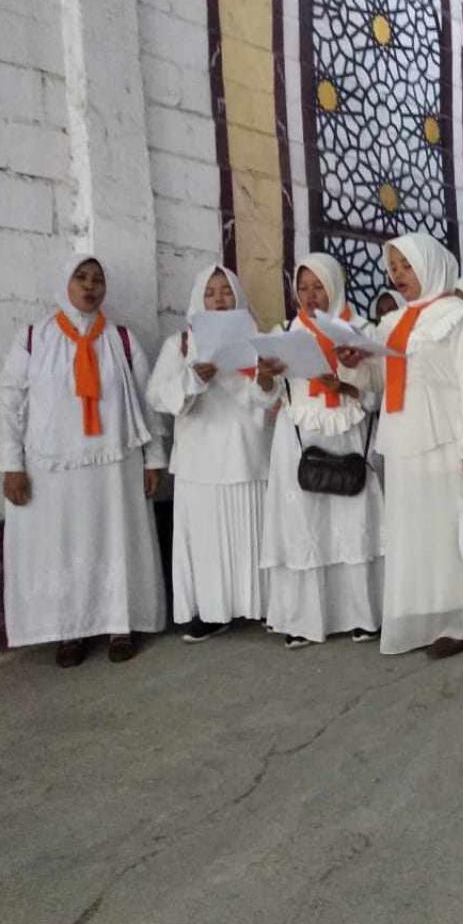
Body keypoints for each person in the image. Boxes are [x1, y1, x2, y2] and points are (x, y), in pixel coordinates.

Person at [0, 254, 167, 666]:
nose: (90, 286)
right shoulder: (33, 337)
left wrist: (153, 459)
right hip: (53, 469)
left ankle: (120, 625)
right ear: (64, 283)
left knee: (115, 539)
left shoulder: (121, 340)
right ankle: (69, 630)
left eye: (97, 279)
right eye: (81, 277)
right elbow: (11, 403)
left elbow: (147, 403)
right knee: (62, 543)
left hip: (114, 464)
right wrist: (12, 465)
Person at [372, 233, 463, 656]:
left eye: (407, 265)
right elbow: (381, 381)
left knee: (450, 529)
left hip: (448, 439)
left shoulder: (460, 319)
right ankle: (423, 615)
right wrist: (357, 363)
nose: (399, 274)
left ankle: (461, 619)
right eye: (394, 267)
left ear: (430, 265)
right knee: (415, 529)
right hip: (403, 437)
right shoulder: (392, 324)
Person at [257, 253, 383, 649]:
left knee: (353, 520)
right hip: (298, 438)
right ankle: (304, 620)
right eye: (303, 287)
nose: (311, 295)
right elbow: (267, 398)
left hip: (347, 435)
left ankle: (363, 615)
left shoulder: (361, 330)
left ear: (335, 286)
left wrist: (344, 385)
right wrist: (265, 377)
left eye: (319, 287)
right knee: (303, 525)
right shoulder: (283, 332)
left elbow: (379, 396)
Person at [146, 265, 277, 642]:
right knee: (207, 541)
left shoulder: (258, 341)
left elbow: (269, 399)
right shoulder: (180, 344)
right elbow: (156, 396)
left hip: (247, 452)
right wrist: (193, 379)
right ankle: (212, 611)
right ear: (198, 299)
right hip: (200, 459)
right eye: (210, 292)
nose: (219, 299)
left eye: (226, 291)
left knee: (252, 532)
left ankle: (262, 605)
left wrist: (266, 381)